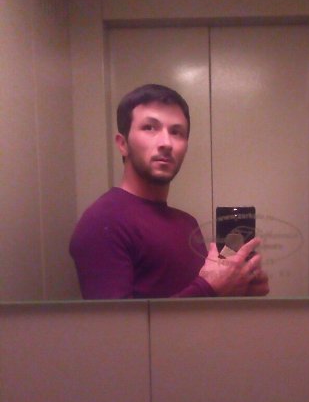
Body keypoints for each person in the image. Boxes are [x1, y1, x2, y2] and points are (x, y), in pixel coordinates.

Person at [69, 84, 269, 299]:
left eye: (176, 132)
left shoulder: (187, 223)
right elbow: (116, 322)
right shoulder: (103, 221)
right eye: (149, 127)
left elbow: (198, 310)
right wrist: (210, 288)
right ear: (122, 144)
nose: (166, 143)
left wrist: (236, 287)